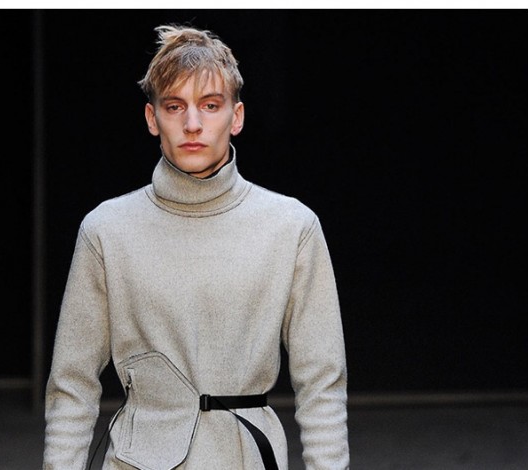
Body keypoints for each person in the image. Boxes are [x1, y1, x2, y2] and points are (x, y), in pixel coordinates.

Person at [44, 24, 349, 470]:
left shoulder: (291, 227)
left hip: (246, 459)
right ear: (152, 119)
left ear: (236, 117)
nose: (192, 124)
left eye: (210, 105)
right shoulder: (107, 230)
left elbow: (322, 385)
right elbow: (71, 385)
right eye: (174, 106)